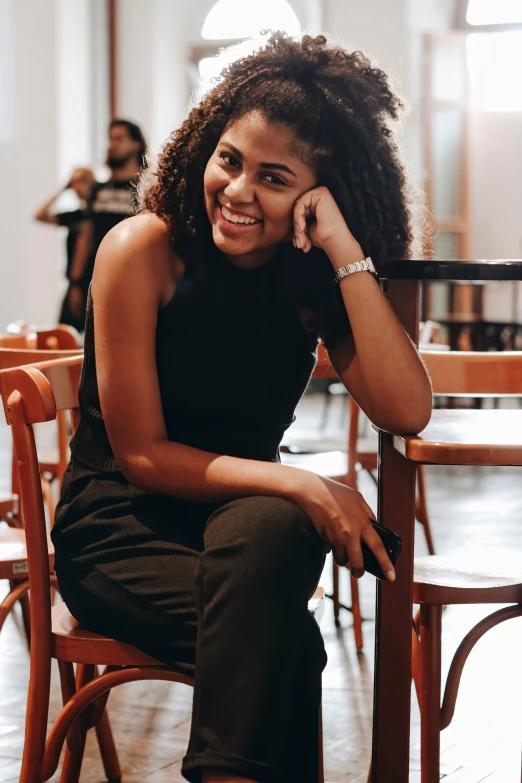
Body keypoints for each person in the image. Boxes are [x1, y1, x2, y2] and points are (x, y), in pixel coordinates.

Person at [51, 33, 433, 783]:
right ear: (204, 145)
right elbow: (143, 456)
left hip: (240, 535)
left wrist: (343, 247)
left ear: (318, 192)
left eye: (275, 176)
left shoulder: (306, 280)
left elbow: (407, 408)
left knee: (269, 529)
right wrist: (304, 482)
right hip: (121, 533)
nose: (237, 190)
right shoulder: (143, 251)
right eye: (229, 159)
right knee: (287, 634)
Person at [65, 118, 148, 326]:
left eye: (119, 139)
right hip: (92, 281)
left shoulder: (148, 187)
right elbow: (87, 234)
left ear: (136, 143)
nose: (112, 145)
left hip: (131, 282)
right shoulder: (99, 189)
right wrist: (74, 283)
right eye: (110, 139)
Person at [34, 167, 95, 331]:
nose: (77, 186)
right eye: (74, 182)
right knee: (63, 334)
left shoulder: (100, 217)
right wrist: (63, 189)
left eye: (82, 180)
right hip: (74, 284)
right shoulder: (74, 216)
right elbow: (39, 215)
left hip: (93, 282)